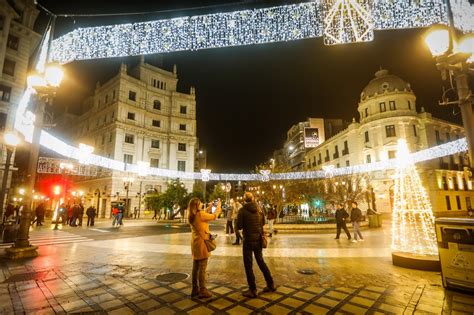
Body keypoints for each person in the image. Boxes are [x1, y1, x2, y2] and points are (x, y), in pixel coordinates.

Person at [236, 192, 275, 298]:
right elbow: (262, 223)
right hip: (258, 239)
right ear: (252, 199)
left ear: (244, 200)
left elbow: (239, 226)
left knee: (248, 265)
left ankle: (253, 289)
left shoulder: (242, 211)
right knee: (261, 262)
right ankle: (270, 284)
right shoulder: (259, 210)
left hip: (248, 240)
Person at [188, 197, 222, 299]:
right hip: (202, 244)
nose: (202, 203)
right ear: (196, 206)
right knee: (202, 268)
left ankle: (195, 289)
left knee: (195, 267)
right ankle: (202, 290)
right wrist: (218, 206)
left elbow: (206, 212)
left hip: (195, 243)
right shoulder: (200, 215)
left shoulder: (192, 214)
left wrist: (212, 206)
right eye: (200, 203)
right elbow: (213, 216)